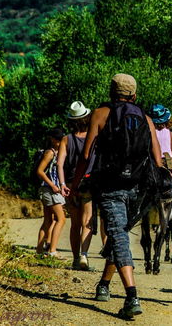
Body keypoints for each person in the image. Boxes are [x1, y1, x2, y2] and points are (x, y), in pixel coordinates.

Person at [71, 73, 163, 319]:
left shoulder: (100, 114)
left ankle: (131, 296)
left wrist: (75, 184)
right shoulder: (145, 118)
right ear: (134, 95)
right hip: (137, 189)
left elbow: (86, 156)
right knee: (117, 234)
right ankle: (104, 284)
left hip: (110, 186)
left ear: (112, 93)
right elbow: (157, 159)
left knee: (118, 236)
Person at [57, 101, 103, 271]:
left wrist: (62, 184)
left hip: (70, 184)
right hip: (89, 184)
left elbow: (59, 164)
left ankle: (76, 258)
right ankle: (84, 254)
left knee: (75, 224)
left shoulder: (66, 139)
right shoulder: (95, 138)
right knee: (87, 222)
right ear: (86, 118)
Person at [36, 127, 67, 259]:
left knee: (49, 220)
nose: (61, 142)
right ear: (53, 140)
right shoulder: (50, 153)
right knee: (61, 219)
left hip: (47, 189)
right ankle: (52, 251)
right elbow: (40, 171)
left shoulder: (56, 152)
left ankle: (39, 251)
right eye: (59, 140)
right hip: (49, 189)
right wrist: (53, 185)